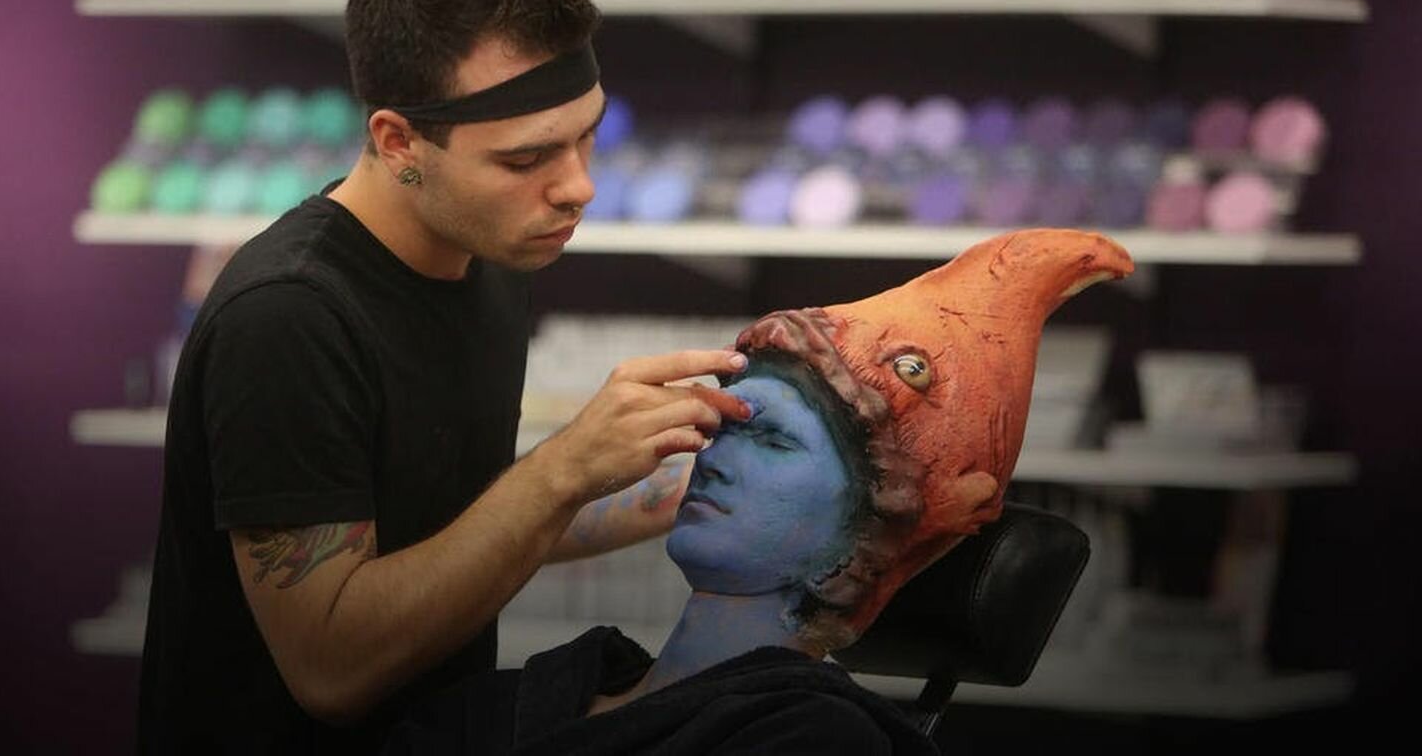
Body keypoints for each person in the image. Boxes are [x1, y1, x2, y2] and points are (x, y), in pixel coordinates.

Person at [137, 0, 749, 754]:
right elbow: (330, 670)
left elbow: (455, 527)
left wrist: (688, 485)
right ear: (400, 143)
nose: (578, 187)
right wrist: (562, 467)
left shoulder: (484, 252)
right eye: (526, 159)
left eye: (588, 136)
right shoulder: (288, 320)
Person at [383, 229, 1135, 755]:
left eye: (772, 440)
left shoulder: (808, 741)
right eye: (721, 426)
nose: (713, 455)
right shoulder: (516, 702)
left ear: (877, 527)